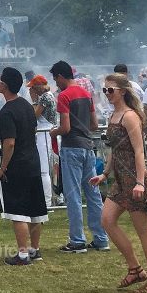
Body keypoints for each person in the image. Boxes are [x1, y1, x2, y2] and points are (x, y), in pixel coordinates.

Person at [90, 73, 147, 293]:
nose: (107, 94)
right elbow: (114, 149)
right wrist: (105, 173)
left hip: (134, 180)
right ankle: (135, 269)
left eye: (110, 90)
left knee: (144, 231)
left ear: (123, 91)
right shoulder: (114, 115)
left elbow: (139, 151)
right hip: (121, 180)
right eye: (105, 90)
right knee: (106, 220)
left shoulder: (130, 116)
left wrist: (140, 182)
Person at [48, 61, 109, 253]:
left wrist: (53, 132)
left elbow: (65, 128)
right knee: (93, 194)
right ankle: (101, 238)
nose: (55, 83)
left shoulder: (64, 96)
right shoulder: (86, 94)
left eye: (55, 79)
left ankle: (77, 240)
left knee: (73, 195)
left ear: (60, 76)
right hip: (87, 147)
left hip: (71, 148)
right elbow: (94, 125)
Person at [0, 67, 48, 265]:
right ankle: (34, 249)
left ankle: (23, 254)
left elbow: (10, 143)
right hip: (33, 161)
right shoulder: (26, 105)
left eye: (0, 81)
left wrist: (3, 167)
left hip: (17, 166)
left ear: (5, 85)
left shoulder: (7, 110)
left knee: (18, 212)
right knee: (35, 209)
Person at [28, 75, 57, 206]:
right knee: (47, 169)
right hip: (47, 132)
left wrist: (34, 100)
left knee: (44, 169)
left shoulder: (45, 97)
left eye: (33, 87)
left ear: (40, 86)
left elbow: (34, 116)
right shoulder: (49, 95)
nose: (32, 90)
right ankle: (50, 198)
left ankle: (47, 201)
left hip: (45, 133)